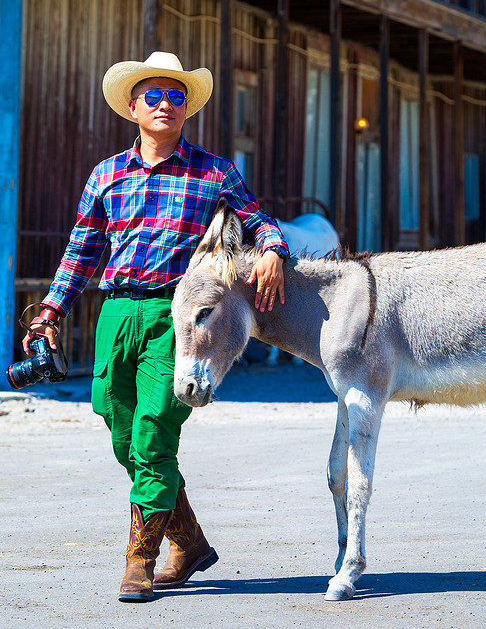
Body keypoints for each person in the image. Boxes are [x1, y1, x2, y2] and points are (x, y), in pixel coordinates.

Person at [20, 51, 289, 602]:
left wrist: (273, 251)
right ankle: (188, 541)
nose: (166, 104)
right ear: (133, 108)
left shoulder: (214, 172)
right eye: (154, 97)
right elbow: (82, 249)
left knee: (153, 434)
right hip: (115, 312)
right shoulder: (107, 174)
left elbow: (260, 221)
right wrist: (50, 311)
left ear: (187, 108)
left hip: (179, 316)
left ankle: (140, 562)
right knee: (123, 432)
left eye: (176, 97)